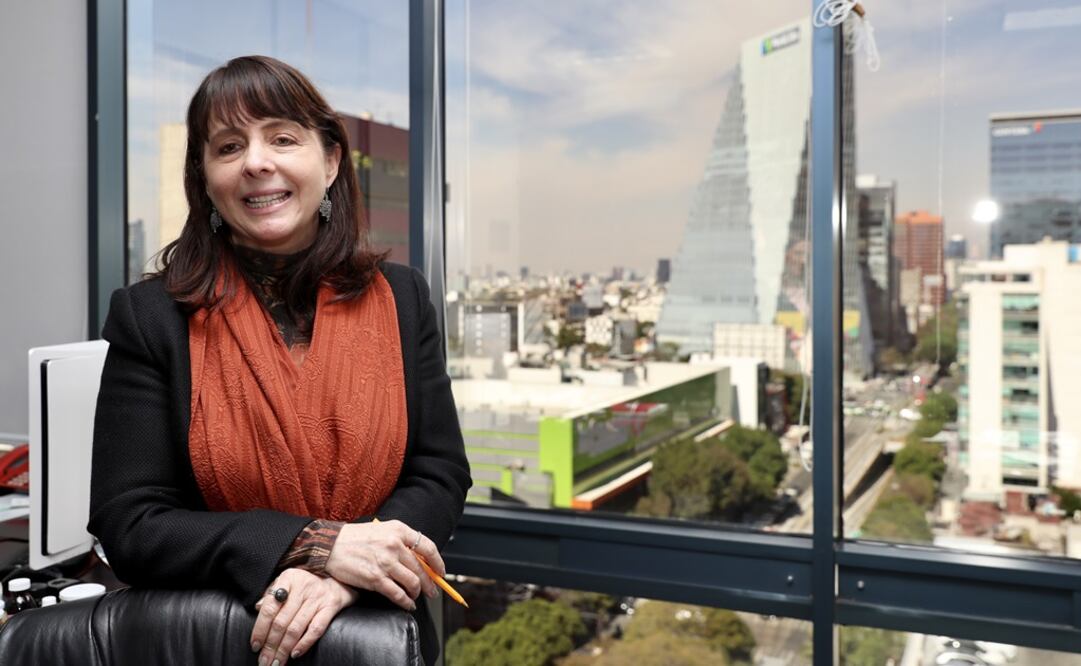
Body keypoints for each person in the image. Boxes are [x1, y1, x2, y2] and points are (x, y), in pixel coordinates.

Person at [87, 55, 471, 666]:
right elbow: (130, 523)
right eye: (229, 146)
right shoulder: (150, 316)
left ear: (331, 161)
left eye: (283, 138)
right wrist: (316, 545)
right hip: (225, 638)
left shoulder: (402, 297)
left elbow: (439, 471)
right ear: (207, 178)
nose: (257, 162)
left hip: (374, 632)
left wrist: (347, 574)